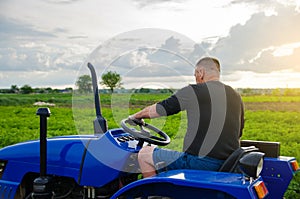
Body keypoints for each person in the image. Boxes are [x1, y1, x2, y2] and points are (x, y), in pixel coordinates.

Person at [128, 57, 244, 178]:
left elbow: (161, 108)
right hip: (228, 163)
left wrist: (135, 116)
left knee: (144, 154)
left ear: (201, 72)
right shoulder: (235, 95)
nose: (196, 79)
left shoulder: (193, 91)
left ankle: (153, 193)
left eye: (195, 75)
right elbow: (239, 132)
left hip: (199, 163)